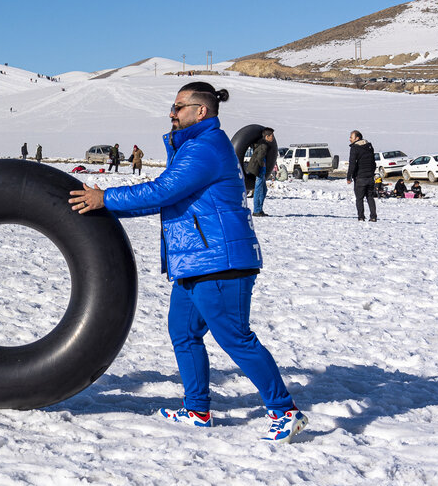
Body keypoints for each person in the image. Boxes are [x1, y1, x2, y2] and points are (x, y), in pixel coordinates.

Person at [68, 81, 307, 443]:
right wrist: (107, 207)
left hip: (220, 261)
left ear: (201, 111)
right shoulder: (191, 148)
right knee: (183, 332)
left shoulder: (205, 148)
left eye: (178, 107)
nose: (171, 113)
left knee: (236, 338)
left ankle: (284, 410)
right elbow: (166, 200)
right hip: (194, 261)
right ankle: (196, 409)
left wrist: (107, 197)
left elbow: (163, 190)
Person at [347, 130, 377, 222]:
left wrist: (349, 177)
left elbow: (352, 164)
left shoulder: (355, 148)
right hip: (370, 177)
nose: (349, 139)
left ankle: (361, 217)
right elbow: (373, 162)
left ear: (357, 138)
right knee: (370, 197)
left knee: (359, 198)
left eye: (351, 137)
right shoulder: (369, 146)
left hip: (360, 177)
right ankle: (373, 217)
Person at [247, 128, 276, 216]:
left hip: (261, 171)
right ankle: (256, 210)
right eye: (272, 136)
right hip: (259, 170)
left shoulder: (261, 143)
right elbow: (260, 157)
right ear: (267, 136)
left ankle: (259, 209)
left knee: (264, 190)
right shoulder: (263, 145)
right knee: (259, 190)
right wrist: (262, 164)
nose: (273, 138)